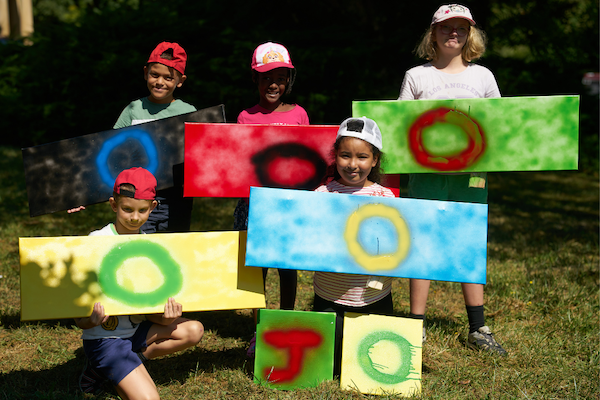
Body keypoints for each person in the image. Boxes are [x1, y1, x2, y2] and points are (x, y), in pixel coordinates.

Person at [398, 4, 507, 355]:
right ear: (433, 34)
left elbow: (497, 126)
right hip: (426, 176)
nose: (454, 33)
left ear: (470, 34)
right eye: (446, 27)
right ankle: (416, 326)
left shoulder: (483, 77)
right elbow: (401, 126)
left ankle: (478, 327)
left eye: (461, 27)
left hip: (470, 177)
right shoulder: (417, 76)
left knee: (468, 240)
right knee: (422, 240)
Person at [75, 167, 204, 398]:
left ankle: (116, 368)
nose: (135, 218)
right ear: (114, 205)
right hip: (106, 339)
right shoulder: (96, 241)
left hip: (135, 330)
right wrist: (87, 320)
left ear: (153, 207)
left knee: (194, 330)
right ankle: (105, 366)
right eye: (127, 209)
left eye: (142, 210)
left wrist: (166, 318)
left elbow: (146, 308)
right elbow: (77, 308)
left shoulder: (150, 246)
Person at [70, 41, 196, 234]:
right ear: (146, 73)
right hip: (137, 200)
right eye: (155, 75)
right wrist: (84, 193)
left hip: (176, 200)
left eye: (168, 78)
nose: (160, 82)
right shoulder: (133, 110)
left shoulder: (189, 113)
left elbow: (202, 158)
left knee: (172, 250)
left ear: (180, 81)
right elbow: (108, 152)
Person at [313, 117, 395, 377]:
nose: (352, 164)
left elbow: (396, 246)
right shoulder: (322, 196)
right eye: (345, 155)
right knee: (331, 366)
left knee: (372, 364)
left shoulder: (387, 198)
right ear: (335, 156)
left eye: (362, 157)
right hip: (330, 294)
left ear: (374, 160)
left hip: (374, 295)